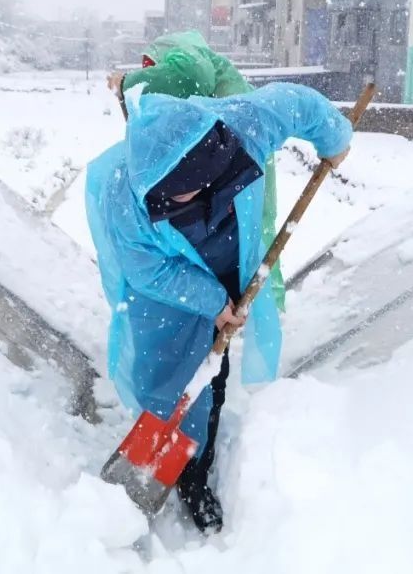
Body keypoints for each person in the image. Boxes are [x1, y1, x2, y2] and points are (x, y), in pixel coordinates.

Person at [85, 81, 352, 533]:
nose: (207, 186)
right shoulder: (126, 206)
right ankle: (175, 458)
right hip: (164, 282)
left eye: (213, 177)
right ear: (164, 192)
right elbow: (152, 274)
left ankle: (199, 464)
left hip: (226, 251)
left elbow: (298, 103)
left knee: (215, 366)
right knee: (167, 372)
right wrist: (210, 301)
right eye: (192, 189)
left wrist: (335, 140)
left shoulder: (239, 127)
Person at [106, 30, 287, 315]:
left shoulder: (181, 49)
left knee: (249, 234)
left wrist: (127, 83)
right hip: (235, 150)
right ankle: (259, 307)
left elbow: (190, 75)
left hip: (237, 149)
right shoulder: (211, 73)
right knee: (250, 231)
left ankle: (260, 309)